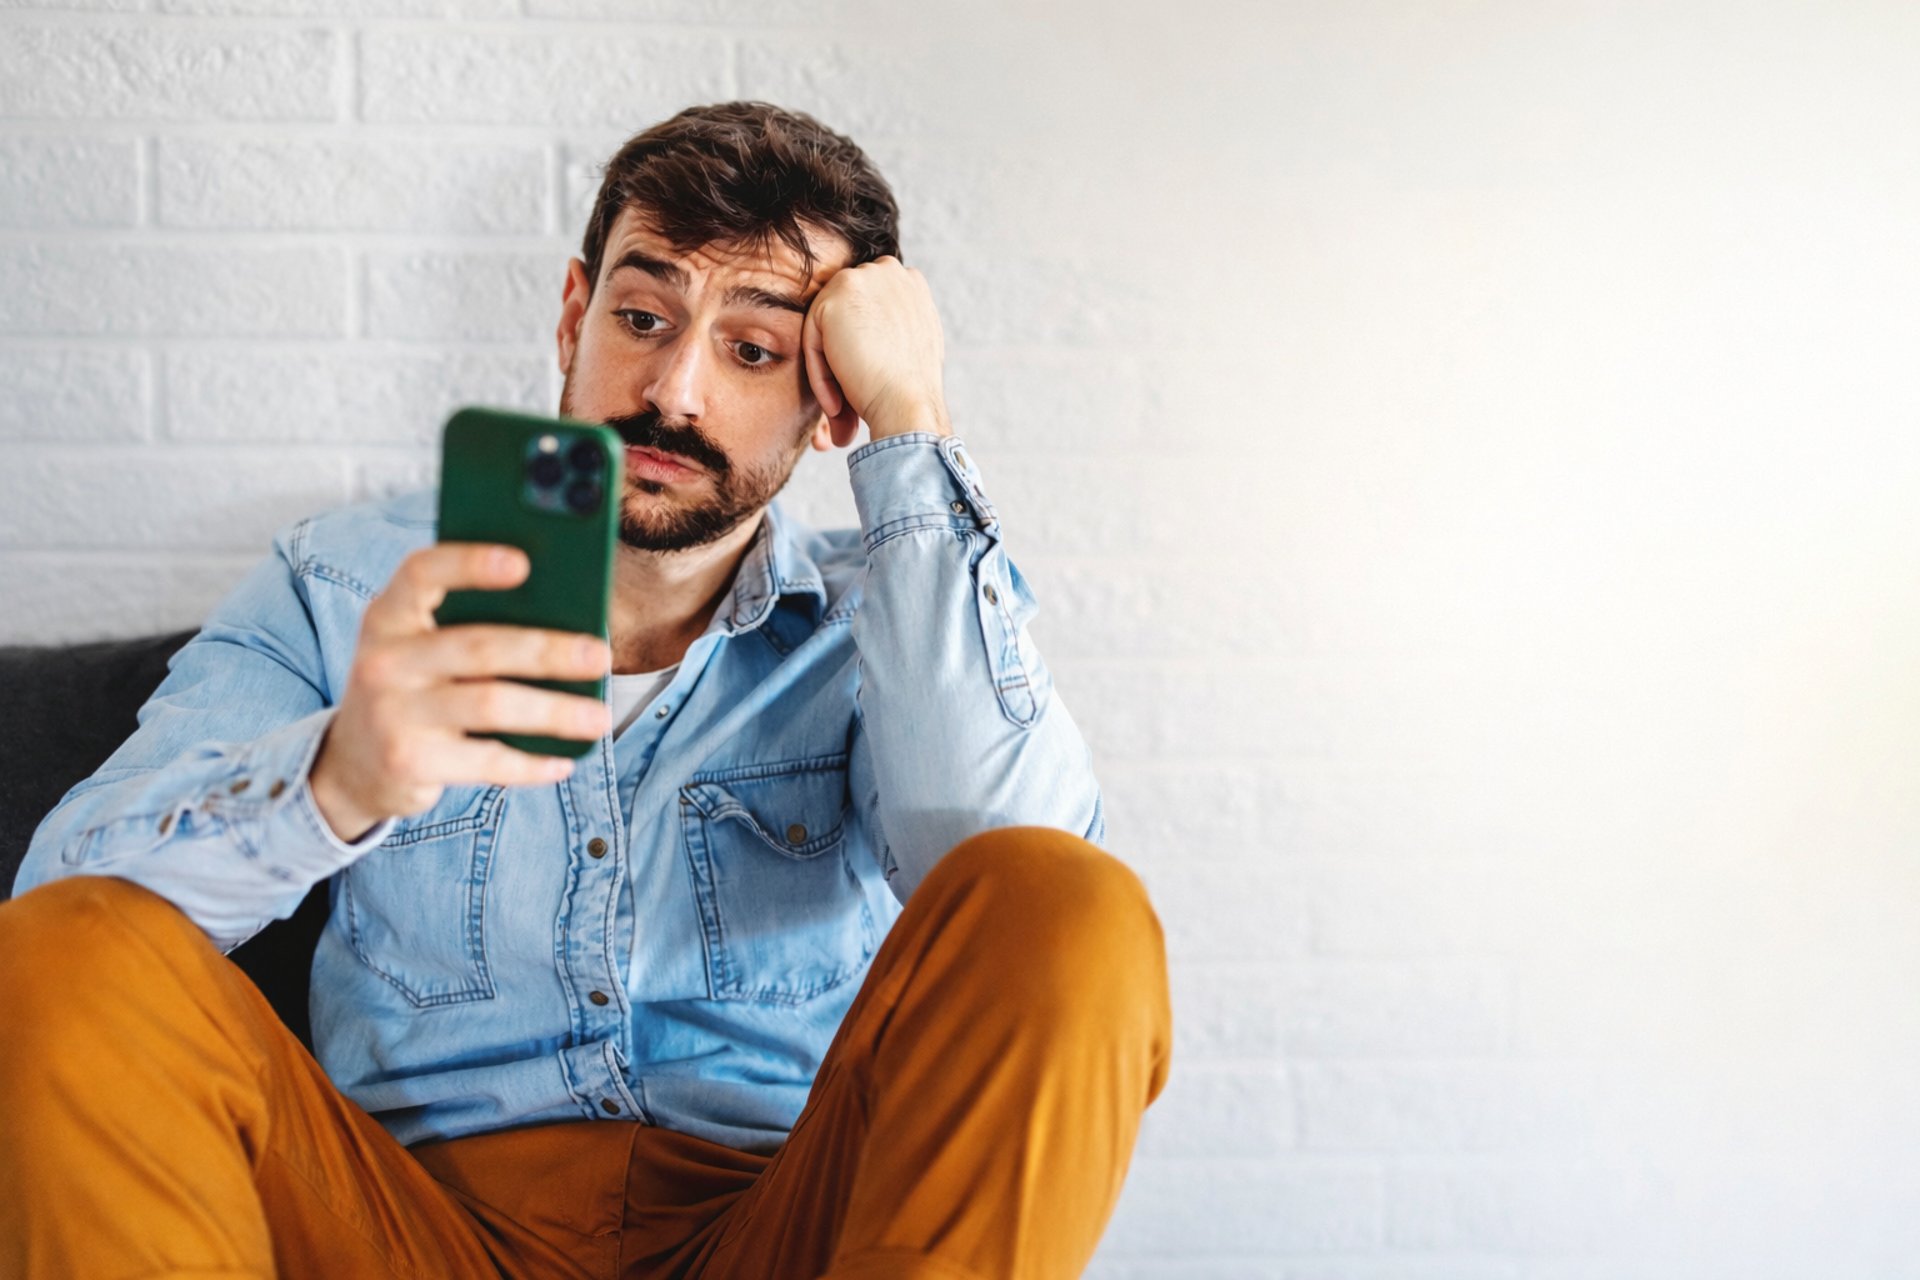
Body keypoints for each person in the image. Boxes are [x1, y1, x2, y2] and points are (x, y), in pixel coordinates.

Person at [0, 100, 1171, 1280]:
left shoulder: (886, 623)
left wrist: (910, 420)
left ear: (831, 400)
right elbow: (68, 904)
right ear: (574, 315)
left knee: (1069, 904)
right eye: (643, 317)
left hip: (776, 1227)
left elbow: (1018, 902)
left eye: (753, 350)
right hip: (402, 1230)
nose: (675, 391)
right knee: (62, 953)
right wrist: (337, 776)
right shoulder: (340, 583)